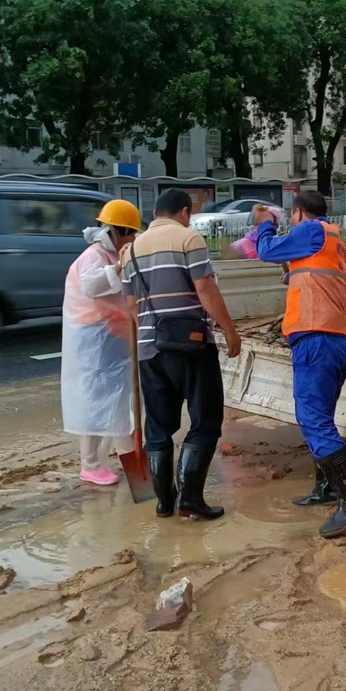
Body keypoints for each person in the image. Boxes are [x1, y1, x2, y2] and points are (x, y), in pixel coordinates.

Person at [252, 190, 346, 539]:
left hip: (316, 338)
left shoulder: (311, 229)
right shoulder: (331, 237)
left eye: (290, 216)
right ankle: (328, 488)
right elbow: (313, 275)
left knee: (313, 420)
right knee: (320, 418)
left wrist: (265, 225)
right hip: (334, 339)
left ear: (298, 213)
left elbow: (265, 250)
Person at [121, 188, 242, 521]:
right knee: (205, 421)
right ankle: (190, 500)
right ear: (184, 213)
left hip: (150, 350)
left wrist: (150, 332)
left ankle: (164, 502)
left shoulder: (130, 251)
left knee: (159, 428)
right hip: (192, 346)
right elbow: (204, 287)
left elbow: (131, 306)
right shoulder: (189, 240)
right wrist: (229, 329)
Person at [60, 200, 142, 486]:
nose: (133, 239)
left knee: (116, 401)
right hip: (93, 339)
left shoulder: (108, 253)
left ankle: (126, 455)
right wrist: (119, 266)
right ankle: (90, 464)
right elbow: (92, 287)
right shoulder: (95, 256)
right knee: (96, 402)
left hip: (109, 336)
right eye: (131, 234)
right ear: (118, 231)